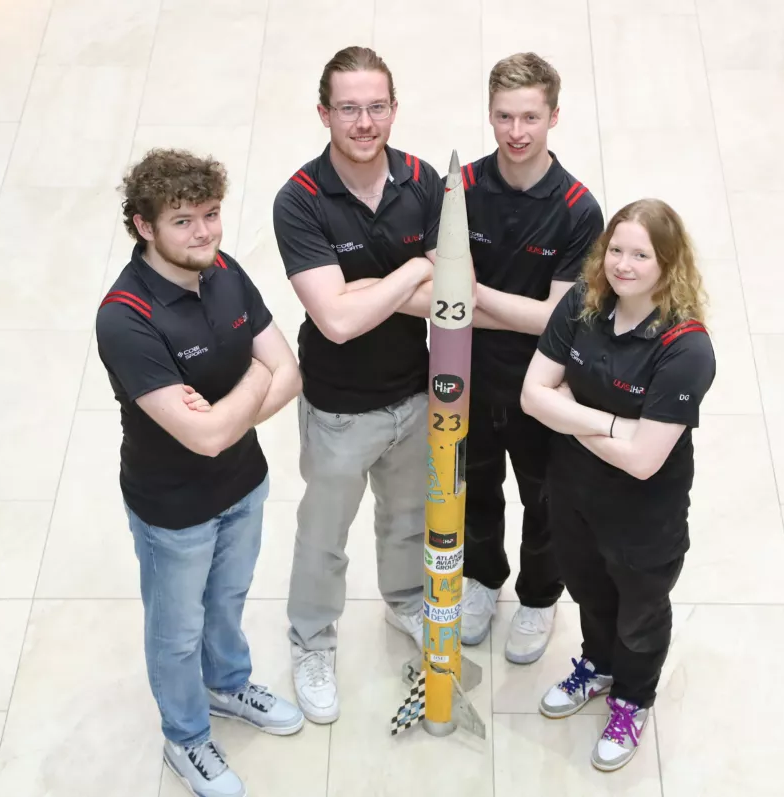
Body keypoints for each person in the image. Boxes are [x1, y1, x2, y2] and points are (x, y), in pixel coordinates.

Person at [96, 148, 304, 797]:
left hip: (244, 482)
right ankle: (185, 736)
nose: (204, 232)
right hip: (173, 509)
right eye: (183, 220)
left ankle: (229, 683)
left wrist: (225, 411)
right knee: (177, 629)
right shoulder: (126, 317)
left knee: (228, 600)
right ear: (143, 226)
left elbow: (290, 373)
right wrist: (252, 377)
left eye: (210, 214)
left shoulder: (224, 270)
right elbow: (206, 436)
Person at [271, 45, 446, 725]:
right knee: (324, 536)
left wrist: (368, 289)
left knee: (406, 519)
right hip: (339, 408)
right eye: (349, 108)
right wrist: (410, 271)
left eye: (377, 107)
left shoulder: (422, 180)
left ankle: (405, 601)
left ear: (394, 109)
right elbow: (337, 322)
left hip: (414, 393)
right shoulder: (300, 201)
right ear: (324, 113)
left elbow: (444, 297)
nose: (364, 121)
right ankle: (311, 641)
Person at [520, 198, 716, 772]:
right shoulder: (582, 302)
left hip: (643, 516)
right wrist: (607, 424)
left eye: (641, 254)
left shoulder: (685, 347)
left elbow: (643, 462)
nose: (623, 265)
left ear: (668, 263)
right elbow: (533, 395)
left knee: (639, 614)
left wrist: (567, 410)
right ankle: (598, 667)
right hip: (575, 495)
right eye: (616, 250)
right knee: (589, 592)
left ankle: (633, 698)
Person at [457, 52, 604, 664]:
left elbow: (555, 319)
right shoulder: (460, 189)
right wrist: (476, 304)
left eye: (530, 118)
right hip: (465, 378)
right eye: (503, 117)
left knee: (544, 500)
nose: (516, 133)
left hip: (544, 387)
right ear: (489, 116)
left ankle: (540, 597)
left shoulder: (577, 209)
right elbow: (445, 302)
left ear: (554, 117)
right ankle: (483, 581)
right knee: (477, 490)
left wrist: (473, 296)